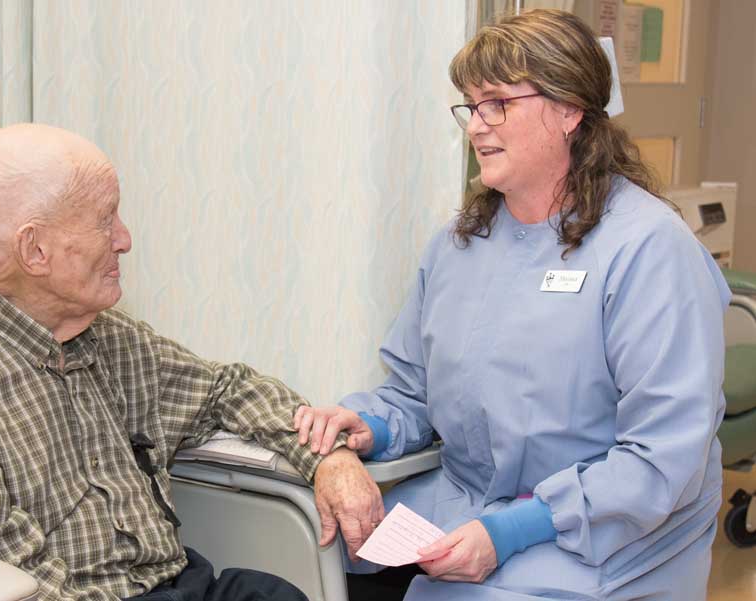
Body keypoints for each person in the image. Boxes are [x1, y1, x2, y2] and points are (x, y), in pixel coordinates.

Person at [297, 9, 729, 601]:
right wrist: (369, 426)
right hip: (466, 507)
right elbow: (415, 392)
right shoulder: (460, 242)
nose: (476, 125)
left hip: (600, 537)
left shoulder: (649, 250)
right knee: (305, 547)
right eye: (470, 106)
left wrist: (509, 531)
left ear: (570, 111)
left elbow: (658, 461)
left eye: (497, 102)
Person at [0, 123, 382, 601]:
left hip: (174, 582)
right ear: (35, 251)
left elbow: (228, 389)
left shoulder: (103, 334)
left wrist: (329, 458)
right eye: (104, 221)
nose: (125, 240)